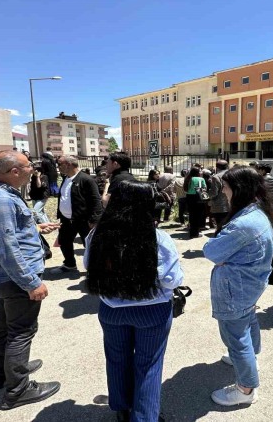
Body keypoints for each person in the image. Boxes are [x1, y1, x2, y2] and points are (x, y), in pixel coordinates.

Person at [84, 181, 183, 422]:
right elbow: (172, 280)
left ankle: (121, 407)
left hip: (111, 310)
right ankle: (144, 417)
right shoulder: (159, 238)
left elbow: (88, 266)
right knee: (148, 365)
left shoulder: (96, 235)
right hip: (152, 311)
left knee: (117, 359)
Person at [0, 151, 61, 410]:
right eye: (28, 166)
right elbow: (6, 249)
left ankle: (4, 373)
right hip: (15, 279)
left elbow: (6, 234)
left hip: (4, 278)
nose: (32, 169)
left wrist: (34, 228)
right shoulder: (1, 200)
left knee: (3, 325)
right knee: (21, 331)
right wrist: (31, 282)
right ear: (14, 171)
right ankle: (18, 390)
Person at [202, 166, 273, 406]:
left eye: (225, 187)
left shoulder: (244, 223)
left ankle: (246, 389)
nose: (223, 191)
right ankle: (251, 358)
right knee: (248, 321)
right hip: (250, 284)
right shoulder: (259, 212)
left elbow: (211, 251)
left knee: (236, 338)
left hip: (236, 288)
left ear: (239, 189)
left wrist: (223, 255)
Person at [56, 155, 103, 273]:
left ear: (68, 164)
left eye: (60, 164)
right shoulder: (66, 178)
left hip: (83, 220)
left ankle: (95, 270)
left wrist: (94, 219)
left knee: (90, 245)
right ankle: (69, 264)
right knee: (64, 241)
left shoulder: (86, 179)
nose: (58, 167)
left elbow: (96, 200)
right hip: (66, 219)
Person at [184, 167, 207, 239]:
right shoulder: (201, 179)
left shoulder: (188, 178)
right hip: (198, 197)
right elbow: (204, 188)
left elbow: (185, 189)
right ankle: (196, 232)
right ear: (198, 172)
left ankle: (192, 232)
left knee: (192, 214)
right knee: (198, 215)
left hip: (189, 197)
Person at [209, 160, 230, 234]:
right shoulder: (233, 174)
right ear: (227, 166)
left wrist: (207, 195)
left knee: (220, 227)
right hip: (231, 205)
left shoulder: (216, 177)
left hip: (219, 206)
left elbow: (214, 193)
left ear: (217, 167)